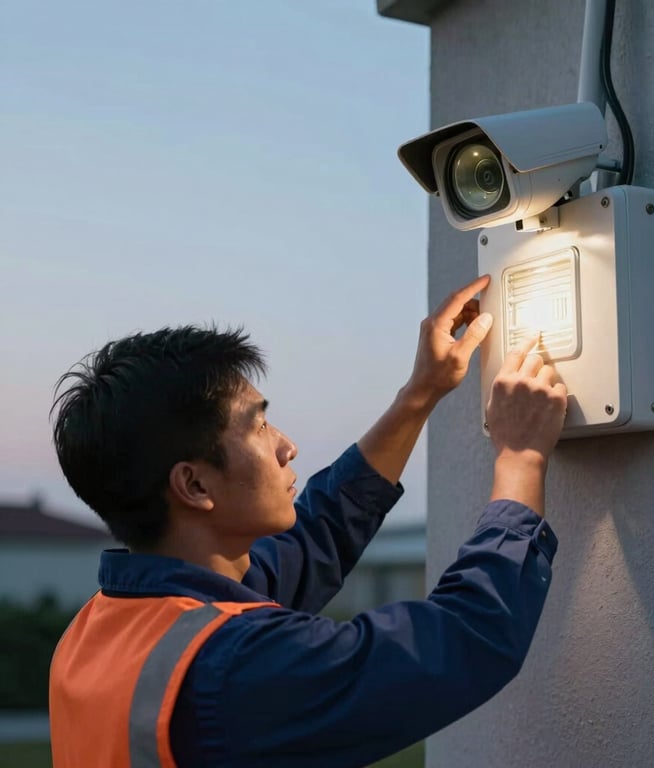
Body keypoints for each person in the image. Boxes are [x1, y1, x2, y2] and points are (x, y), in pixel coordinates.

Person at [48, 273, 567, 768]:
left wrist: (420, 393)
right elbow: (464, 640)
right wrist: (521, 457)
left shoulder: (105, 628)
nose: (287, 446)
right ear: (195, 486)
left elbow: (321, 531)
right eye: (259, 426)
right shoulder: (232, 667)